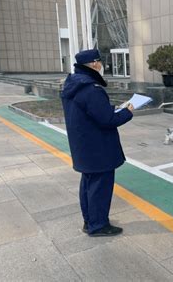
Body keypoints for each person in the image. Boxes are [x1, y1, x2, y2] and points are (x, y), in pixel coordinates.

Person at [61, 49, 134, 236]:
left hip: (84, 147)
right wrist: (128, 111)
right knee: (100, 188)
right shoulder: (91, 89)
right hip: (98, 148)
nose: (102, 66)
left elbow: (91, 112)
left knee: (88, 185)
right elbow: (108, 120)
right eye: (100, 62)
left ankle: (90, 220)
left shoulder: (74, 84)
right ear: (94, 64)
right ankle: (99, 225)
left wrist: (111, 108)